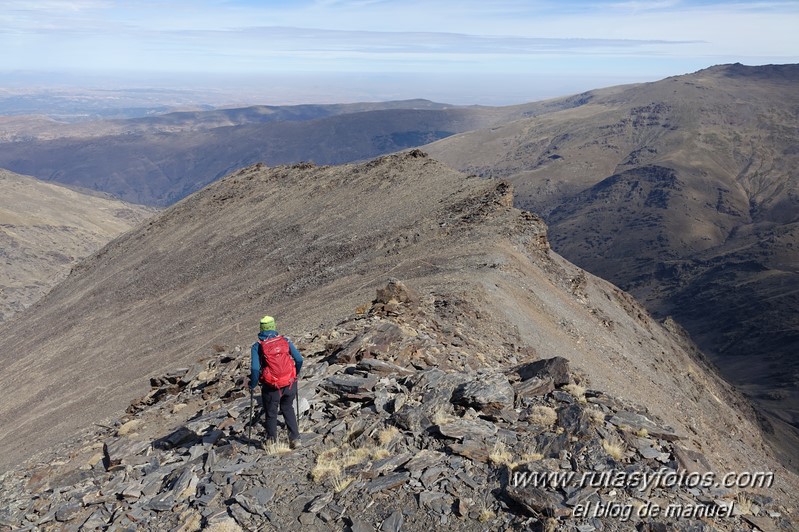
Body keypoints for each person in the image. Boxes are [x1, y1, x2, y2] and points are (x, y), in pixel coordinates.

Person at [249, 315, 304, 449]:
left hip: (272, 386)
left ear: (261, 329)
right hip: (290, 383)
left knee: (271, 413)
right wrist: (294, 374)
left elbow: (255, 369)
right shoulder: (285, 341)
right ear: (274, 327)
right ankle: (295, 439)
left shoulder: (258, 346)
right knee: (288, 408)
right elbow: (299, 359)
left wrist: (253, 384)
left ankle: (272, 442)